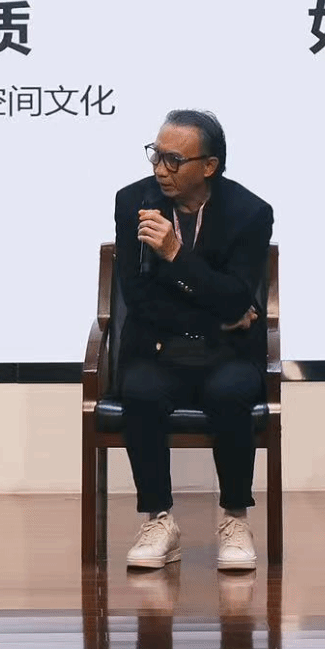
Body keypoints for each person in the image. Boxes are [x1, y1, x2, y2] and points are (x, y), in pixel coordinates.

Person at [112, 109, 275, 572]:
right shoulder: (133, 202)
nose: (160, 169)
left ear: (209, 165)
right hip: (158, 347)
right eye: (156, 155)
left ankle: (235, 518)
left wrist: (176, 256)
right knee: (141, 391)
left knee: (230, 393)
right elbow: (137, 297)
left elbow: (239, 294)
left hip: (226, 355)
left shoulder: (250, 213)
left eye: (173, 159)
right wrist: (220, 315)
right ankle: (158, 520)